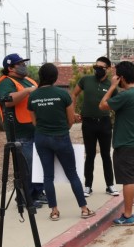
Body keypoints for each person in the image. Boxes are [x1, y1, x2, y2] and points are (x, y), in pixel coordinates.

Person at [27, 63, 95, 221]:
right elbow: (71, 120)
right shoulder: (62, 94)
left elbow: (34, 121)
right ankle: (84, 209)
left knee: (48, 176)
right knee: (72, 174)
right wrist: (63, 127)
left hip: (41, 138)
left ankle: (54, 211)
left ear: (40, 76)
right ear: (55, 77)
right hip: (61, 137)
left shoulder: (33, 96)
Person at [99, 61, 134, 226]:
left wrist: (112, 87)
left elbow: (102, 105)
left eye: (116, 76)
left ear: (121, 78)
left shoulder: (126, 95)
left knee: (128, 180)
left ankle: (127, 215)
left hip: (125, 143)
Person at [0, 53, 46, 207]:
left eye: (23, 63)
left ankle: (38, 193)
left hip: (34, 129)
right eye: (20, 64)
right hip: (19, 133)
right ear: (10, 68)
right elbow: (7, 101)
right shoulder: (5, 82)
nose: (24, 66)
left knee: (37, 165)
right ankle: (24, 198)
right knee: (25, 166)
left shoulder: (28, 80)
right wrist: (27, 91)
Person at [71, 56, 119, 198]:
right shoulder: (86, 80)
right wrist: (73, 112)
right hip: (88, 123)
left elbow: (116, 104)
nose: (97, 70)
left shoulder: (111, 86)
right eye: (95, 67)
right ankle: (87, 186)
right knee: (90, 155)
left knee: (106, 155)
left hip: (104, 122)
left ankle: (110, 185)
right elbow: (74, 94)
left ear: (108, 69)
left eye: (101, 67)